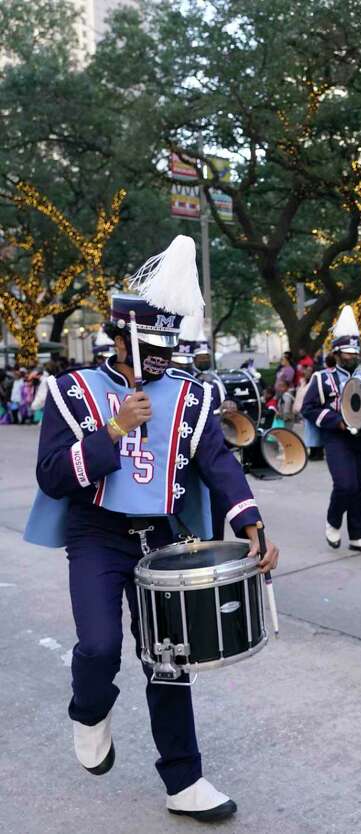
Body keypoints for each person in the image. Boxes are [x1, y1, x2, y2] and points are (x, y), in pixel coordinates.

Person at [23, 235, 280, 823]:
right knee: (98, 646)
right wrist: (111, 431)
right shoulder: (71, 391)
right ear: (119, 339)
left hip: (161, 538)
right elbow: (52, 476)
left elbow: (220, 466)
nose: (163, 360)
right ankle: (89, 710)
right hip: (95, 532)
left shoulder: (194, 395)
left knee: (170, 658)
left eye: (170, 348)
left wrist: (253, 524)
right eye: (151, 349)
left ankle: (183, 780)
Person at [300, 306, 361, 552]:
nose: (351, 355)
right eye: (346, 351)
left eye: (354, 351)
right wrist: (336, 421)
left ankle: (357, 534)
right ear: (337, 352)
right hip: (337, 436)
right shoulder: (322, 378)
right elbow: (308, 408)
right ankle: (333, 522)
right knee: (345, 484)